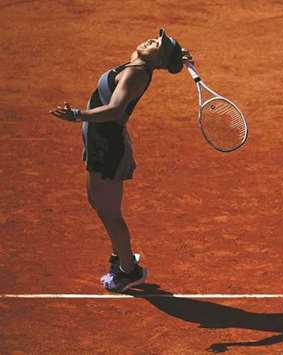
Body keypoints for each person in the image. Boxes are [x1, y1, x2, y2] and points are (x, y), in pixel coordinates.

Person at [49, 28, 192, 292]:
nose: (152, 40)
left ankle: (129, 271)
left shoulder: (136, 73)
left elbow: (115, 109)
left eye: (158, 45)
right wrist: (176, 58)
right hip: (99, 141)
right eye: (157, 38)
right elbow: (162, 61)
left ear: (157, 60)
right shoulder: (139, 61)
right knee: (98, 202)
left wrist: (78, 115)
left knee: (109, 213)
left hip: (107, 146)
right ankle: (122, 255)